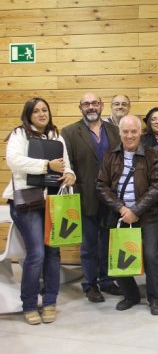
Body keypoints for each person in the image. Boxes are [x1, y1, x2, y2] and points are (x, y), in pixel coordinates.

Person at [3, 97, 76, 325]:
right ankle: (30, 304)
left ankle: (50, 301)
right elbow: (13, 161)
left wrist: (70, 173)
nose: (42, 114)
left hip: (52, 201)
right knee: (36, 254)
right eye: (36, 111)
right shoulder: (19, 134)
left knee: (53, 252)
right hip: (26, 202)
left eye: (45, 110)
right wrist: (46, 165)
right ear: (29, 114)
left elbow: (65, 164)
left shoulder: (56, 135)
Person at [96, 115, 158, 315]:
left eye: (133, 131)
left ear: (140, 133)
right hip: (118, 216)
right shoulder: (110, 156)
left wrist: (136, 210)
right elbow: (101, 185)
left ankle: (155, 298)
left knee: (151, 256)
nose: (129, 135)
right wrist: (121, 208)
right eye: (125, 132)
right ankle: (131, 295)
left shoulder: (152, 155)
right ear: (119, 133)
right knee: (119, 257)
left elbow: (157, 185)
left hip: (147, 216)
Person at [61, 92, 122, 302]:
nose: (91, 107)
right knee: (88, 246)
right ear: (80, 108)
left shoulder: (115, 131)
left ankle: (106, 280)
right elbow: (67, 165)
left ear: (102, 106)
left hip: (111, 199)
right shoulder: (69, 132)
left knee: (107, 242)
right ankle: (89, 284)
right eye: (86, 104)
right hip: (85, 197)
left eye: (94, 103)